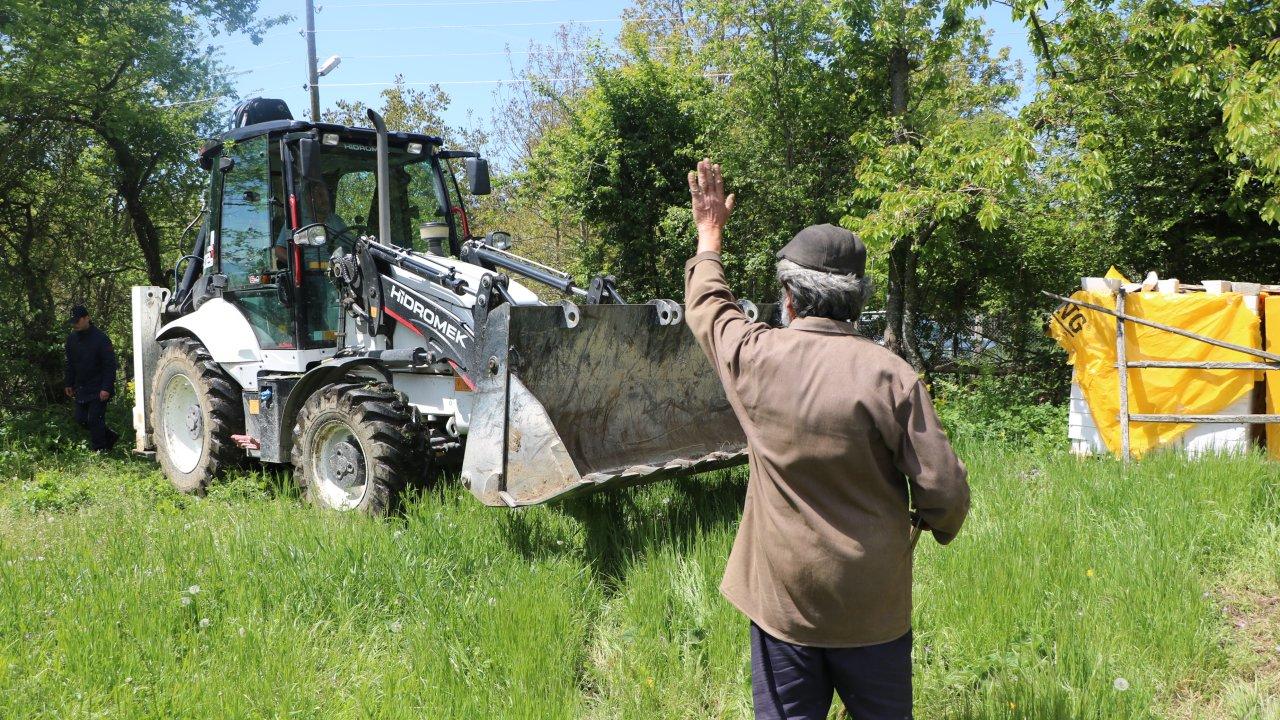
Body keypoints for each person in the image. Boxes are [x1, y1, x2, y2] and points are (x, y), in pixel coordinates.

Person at [683, 159, 971, 720]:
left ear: (789, 297)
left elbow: (709, 308)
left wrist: (710, 235)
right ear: (856, 300)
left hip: (784, 611)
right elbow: (945, 491)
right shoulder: (891, 377)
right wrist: (937, 524)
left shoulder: (755, 358)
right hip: (873, 613)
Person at [63, 305, 119, 453]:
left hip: (99, 387)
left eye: (78, 320)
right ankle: (110, 436)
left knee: (95, 419)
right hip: (81, 386)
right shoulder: (71, 340)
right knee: (81, 419)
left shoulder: (101, 339)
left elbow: (109, 365)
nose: (75, 324)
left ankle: (99, 449)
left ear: (87, 318)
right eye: (73, 321)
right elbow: (69, 363)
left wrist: (106, 388)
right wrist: (68, 383)